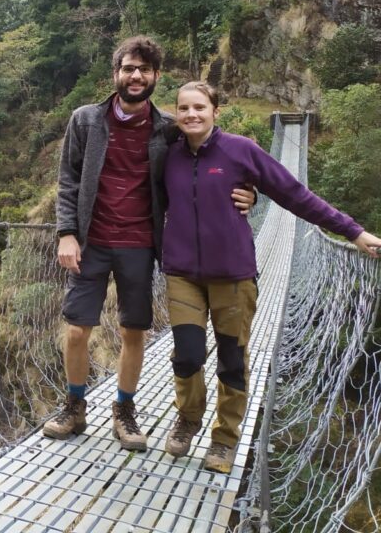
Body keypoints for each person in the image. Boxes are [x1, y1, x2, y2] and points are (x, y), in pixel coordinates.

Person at [47, 37, 255, 450]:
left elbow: (210, 157)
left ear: (156, 76)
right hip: (90, 242)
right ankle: (74, 405)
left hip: (140, 244)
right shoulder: (85, 121)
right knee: (76, 330)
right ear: (116, 74)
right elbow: (68, 179)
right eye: (128, 68)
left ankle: (124, 411)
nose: (136, 75)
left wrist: (249, 193)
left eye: (144, 69)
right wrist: (66, 232)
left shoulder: (166, 128)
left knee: (134, 331)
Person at [161, 81, 381, 473]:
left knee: (231, 358)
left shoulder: (240, 150)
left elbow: (295, 193)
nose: (191, 115)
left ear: (216, 112)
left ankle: (225, 440)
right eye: (183, 109)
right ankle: (188, 418)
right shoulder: (168, 155)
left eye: (199, 107)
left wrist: (353, 231)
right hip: (182, 273)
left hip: (232, 274)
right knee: (187, 354)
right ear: (175, 114)